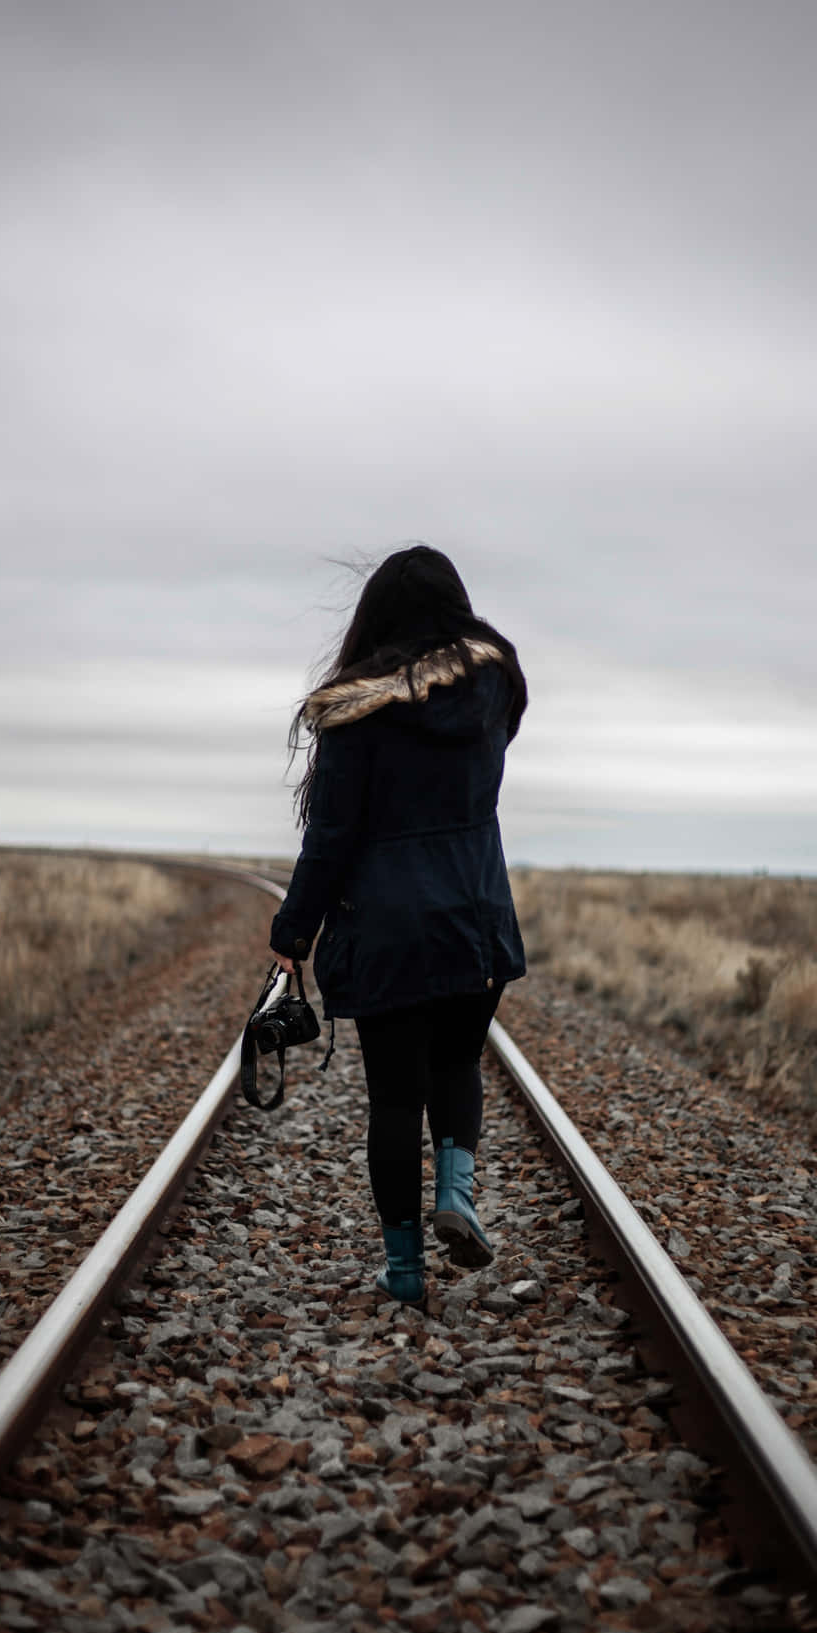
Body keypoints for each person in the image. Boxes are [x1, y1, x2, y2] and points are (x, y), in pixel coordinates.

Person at [270, 546, 528, 1306]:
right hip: (474, 917)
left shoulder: (354, 714)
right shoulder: (494, 689)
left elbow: (331, 839)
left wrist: (293, 933)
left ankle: (406, 1270)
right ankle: (458, 1195)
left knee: (392, 1099)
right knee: (458, 1066)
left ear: (374, 618)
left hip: (384, 930)